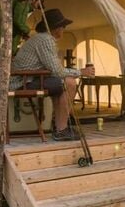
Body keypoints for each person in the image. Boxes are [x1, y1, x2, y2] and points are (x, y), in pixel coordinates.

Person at [12, 8, 95, 141]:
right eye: (63, 26)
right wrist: (80, 72)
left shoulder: (40, 38)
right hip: (24, 81)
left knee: (61, 84)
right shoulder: (45, 40)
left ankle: (60, 127)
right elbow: (57, 71)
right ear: (56, 28)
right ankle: (61, 130)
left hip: (27, 78)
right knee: (69, 82)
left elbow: (53, 69)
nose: (64, 29)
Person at [0, 0, 43, 137]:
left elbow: (12, 32)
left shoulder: (14, 6)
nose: (37, 8)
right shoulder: (22, 2)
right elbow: (19, 24)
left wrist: (14, 53)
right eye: (38, 4)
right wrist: (32, 36)